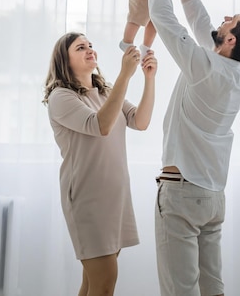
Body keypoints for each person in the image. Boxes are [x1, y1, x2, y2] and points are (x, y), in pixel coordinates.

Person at [148, 0, 240, 296]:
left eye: (232, 20)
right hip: (212, 196)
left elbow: (165, 21)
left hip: (182, 193)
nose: (224, 19)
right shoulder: (239, 74)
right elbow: (201, 23)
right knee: (212, 289)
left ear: (231, 39)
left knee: (180, 290)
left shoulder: (204, 66)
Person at [42, 32, 157, 296]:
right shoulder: (61, 97)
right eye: (80, 47)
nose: (90, 49)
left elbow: (140, 121)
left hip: (114, 196)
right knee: (104, 283)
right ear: (64, 60)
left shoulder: (105, 92)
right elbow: (101, 125)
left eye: (91, 45)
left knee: (93, 284)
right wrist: (125, 75)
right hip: (87, 198)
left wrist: (149, 80)